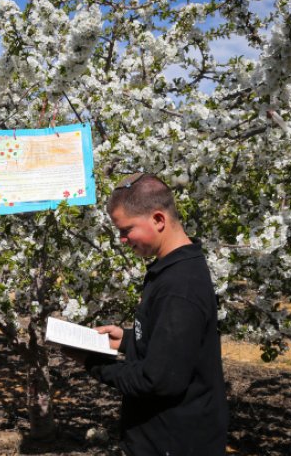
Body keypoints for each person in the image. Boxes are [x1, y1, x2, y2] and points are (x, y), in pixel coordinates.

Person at [64, 173, 229, 455]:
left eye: (127, 229)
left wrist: (93, 362)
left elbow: (159, 380)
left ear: (158, 219)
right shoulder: (170, 269)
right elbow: (174, 342)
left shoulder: (180, 287)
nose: (122, 239)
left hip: (175, 441)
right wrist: (126, 340)